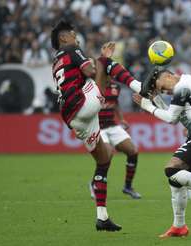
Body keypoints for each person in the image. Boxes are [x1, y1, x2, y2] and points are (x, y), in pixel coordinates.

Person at [51, 20, 142, 232]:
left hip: (74, 117)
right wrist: (103, 61)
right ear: (64, 38)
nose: (77, 38)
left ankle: (102, 217)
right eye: (73, 34)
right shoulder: (72, 49)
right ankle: (139, 86)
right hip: (82, 105)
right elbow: (91, 71)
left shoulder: (56, 61)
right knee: (103, 62)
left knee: (104, 159)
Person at [133, 68, 191, 238]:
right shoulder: (187, 81)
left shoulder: (182, 87)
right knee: (176, 181)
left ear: (168, 76)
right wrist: (156, 101)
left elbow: (170, 119)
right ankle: (179, 226)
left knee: (171, 169)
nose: (164, 91)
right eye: (161, 91)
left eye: (161, 87)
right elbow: (175, 116)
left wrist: (147, 106)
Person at [90, 79, 141, 199]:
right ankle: (94, 183)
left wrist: (122, 118)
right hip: (98, 128)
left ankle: (128, 187)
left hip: (112, 126)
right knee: (107, 155)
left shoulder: (115, 86)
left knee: (133, 151)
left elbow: (115, 102)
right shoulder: (92, 86)